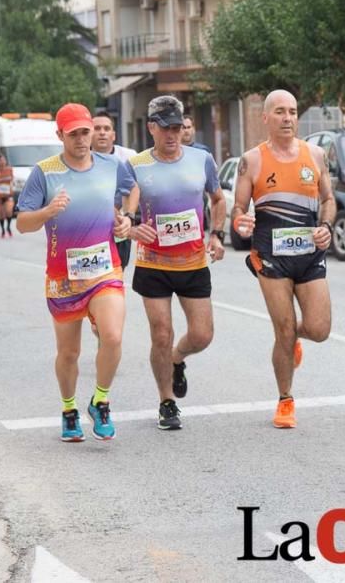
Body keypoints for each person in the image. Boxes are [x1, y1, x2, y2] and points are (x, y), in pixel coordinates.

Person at [16, 103, 135, 443]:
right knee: (69, 352)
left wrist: (126, 218)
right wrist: (48, 210)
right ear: (60, 135)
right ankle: (69, 409)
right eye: (75, 134)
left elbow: (129, 194)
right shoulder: (45, 172)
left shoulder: (112, 164)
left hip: (105, 268)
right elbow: (23, 223)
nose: (83, 139)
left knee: (112, 335)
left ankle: (100, 400)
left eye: (87, 131)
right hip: (63, 276)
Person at [232, 90, 335, 429]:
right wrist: (241, 221)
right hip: (271, 254)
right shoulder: (252, 160)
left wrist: (326, 226)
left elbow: (329, 199)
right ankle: (285, 400)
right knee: (284, 327)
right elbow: (239, 209)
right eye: (280, 112)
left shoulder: (316, 155)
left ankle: (293, 343)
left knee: (319, 329)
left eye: (292, 112)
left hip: (309, 252)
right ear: (266, 118)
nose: (288, 118)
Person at [126, 96, 226, 430]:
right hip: (153, 263)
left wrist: (217, 235)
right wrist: (130, 225)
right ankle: (166, 401)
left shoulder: (202, 159)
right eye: (165, 128)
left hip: (193, 262)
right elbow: (121, 207)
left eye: (177, 128)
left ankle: (177, 358)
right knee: (161, 333)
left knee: (202, 335)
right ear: (151, 127)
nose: (172, 134)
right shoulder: (137, 165)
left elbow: (217, 199)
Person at [92, 111, 137, 269]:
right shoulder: (81, 159)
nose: (102, 132)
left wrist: (128, 215)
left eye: (106, 128)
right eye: (97, 128)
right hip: (91, 227)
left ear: (114, 135)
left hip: (119, 225)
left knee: (117, 271)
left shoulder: (129, 156)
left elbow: (135, 188)